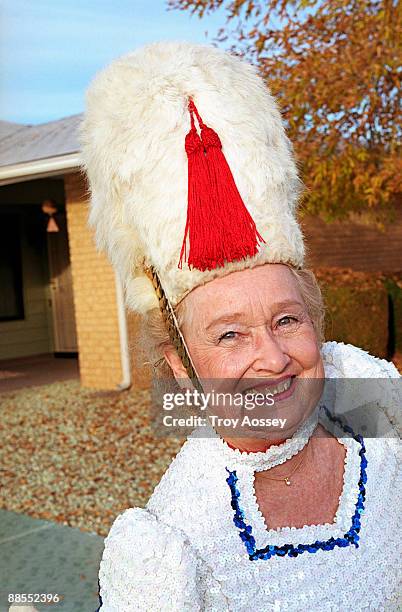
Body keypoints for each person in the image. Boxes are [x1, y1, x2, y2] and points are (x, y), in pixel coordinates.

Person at [80, 41, 401, 611]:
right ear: (181, 370)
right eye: (230, 334)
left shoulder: (376, 414)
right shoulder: (172, 547)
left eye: (287, 319)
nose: (274, 358)